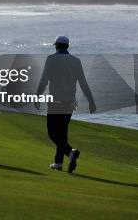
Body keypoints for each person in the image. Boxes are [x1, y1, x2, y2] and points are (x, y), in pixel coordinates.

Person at [36, 35, 96, 173]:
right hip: (69, 103)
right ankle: (58, 163)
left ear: (56, 46)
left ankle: (70, 153)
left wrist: (37, 96)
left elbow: (44, 80)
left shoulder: (51, 59)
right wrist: (91, 101)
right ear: (67, 46)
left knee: (52, 132)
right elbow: (83, 83)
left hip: (55, 102)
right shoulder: (76, 61)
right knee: (62, 133)